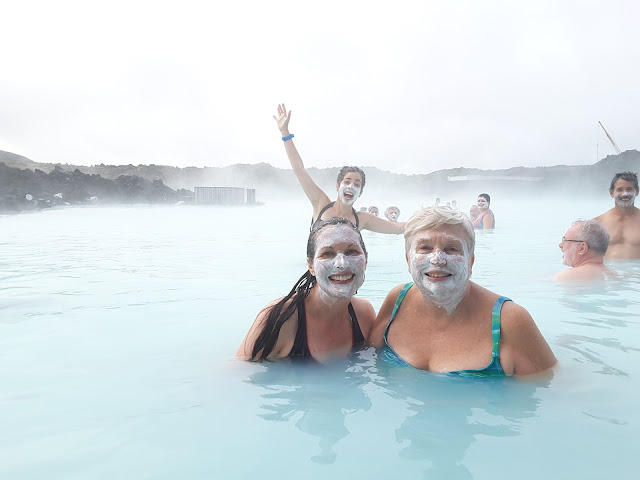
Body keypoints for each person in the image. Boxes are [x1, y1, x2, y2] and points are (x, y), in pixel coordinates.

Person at [369, 206, 557, 376]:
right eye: (425, 248)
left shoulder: (509, 321)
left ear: (470, 262)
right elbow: (366, 359)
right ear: (408, 261)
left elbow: (547, 390)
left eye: (451, 249)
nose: (437, 259)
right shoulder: (398, 301)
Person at [237, 218, 376, 363]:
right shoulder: (281, 318)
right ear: (311, 266)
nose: (341, 263)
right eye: (327, 253)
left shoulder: (363, 314)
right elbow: (239, 371)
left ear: (366, 260)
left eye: (351, 251)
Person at [273, 104, 404, 234]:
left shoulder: (362, 219)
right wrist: (285, 132)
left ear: (361, 192)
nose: (351, 186)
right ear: (337, 186)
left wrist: (418, 220)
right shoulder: (321, 204)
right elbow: (299, 169)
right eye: (347, 181)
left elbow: (398, 228)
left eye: (357, 184)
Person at [552, 220, 617, 283]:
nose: (560, 245)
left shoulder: (565, 277)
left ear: (582, 248)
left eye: (565, 240)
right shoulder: (615, 275)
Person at [594, 172, 640, 259]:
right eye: (620, 190)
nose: (625, 194)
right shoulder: (598, 223)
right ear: (611, 193)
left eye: (629, 189)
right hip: (607, 268)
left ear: (637, 192)